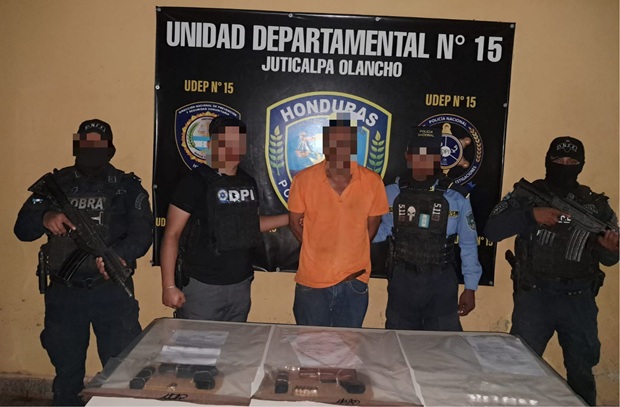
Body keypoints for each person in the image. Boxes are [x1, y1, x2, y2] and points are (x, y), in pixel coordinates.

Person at [14, 119, 153, 406]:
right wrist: (45, 217)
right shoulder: (56, 185)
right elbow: (22, 230)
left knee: (121, 372)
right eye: (86, 143)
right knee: (67, 374)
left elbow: (143, 234)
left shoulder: (126, 187)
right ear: (77, 146)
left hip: (111, 291)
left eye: (99, 144)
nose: (92, 149)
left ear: (110, 148)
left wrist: (118, 255)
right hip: (65, 294)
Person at [484, 136, 619, 406]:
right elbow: (491, 230)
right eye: (559, 160)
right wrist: (531, 216)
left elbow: (609, 259)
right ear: (548, 161)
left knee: (581, 374)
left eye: (572, 161)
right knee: (519, 370)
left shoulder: (596, 206)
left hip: (579, 299)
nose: (565, 166)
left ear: (581, 165)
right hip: (535, 297)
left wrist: (610, 249)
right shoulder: (528, 195)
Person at [159, 116, 288, 321]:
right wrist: (168, 286)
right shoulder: (193, 183)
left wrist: (290, 218)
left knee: (234, 342)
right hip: (203, 286)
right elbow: (172, 235)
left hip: (240, 284)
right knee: (198, 342)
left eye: (238, 142)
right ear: (211, 144)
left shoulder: (247, 182)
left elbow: (250, 225)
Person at [374, 127, 482, 331]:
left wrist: (470, 287)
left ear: (438, 158)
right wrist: (351, 236)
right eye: (417, 153)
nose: (423, 159)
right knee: (399, 342)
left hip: (441, 282)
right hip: (403, 280)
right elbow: (383, 231)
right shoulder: (391, 193)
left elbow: (468, 243)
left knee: (444, 345)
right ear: (407, 155)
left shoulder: (456, 196)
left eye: (429, 153)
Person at [288, 113, 389, 328]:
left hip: (354, 282)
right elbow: (294, 222)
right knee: (309, 345)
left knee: (348, 347)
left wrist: (351, 250)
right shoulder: (303, 180)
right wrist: (314, 248)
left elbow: (372, 226)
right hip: (312, 282)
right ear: (325, 145)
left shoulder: (372, 182)